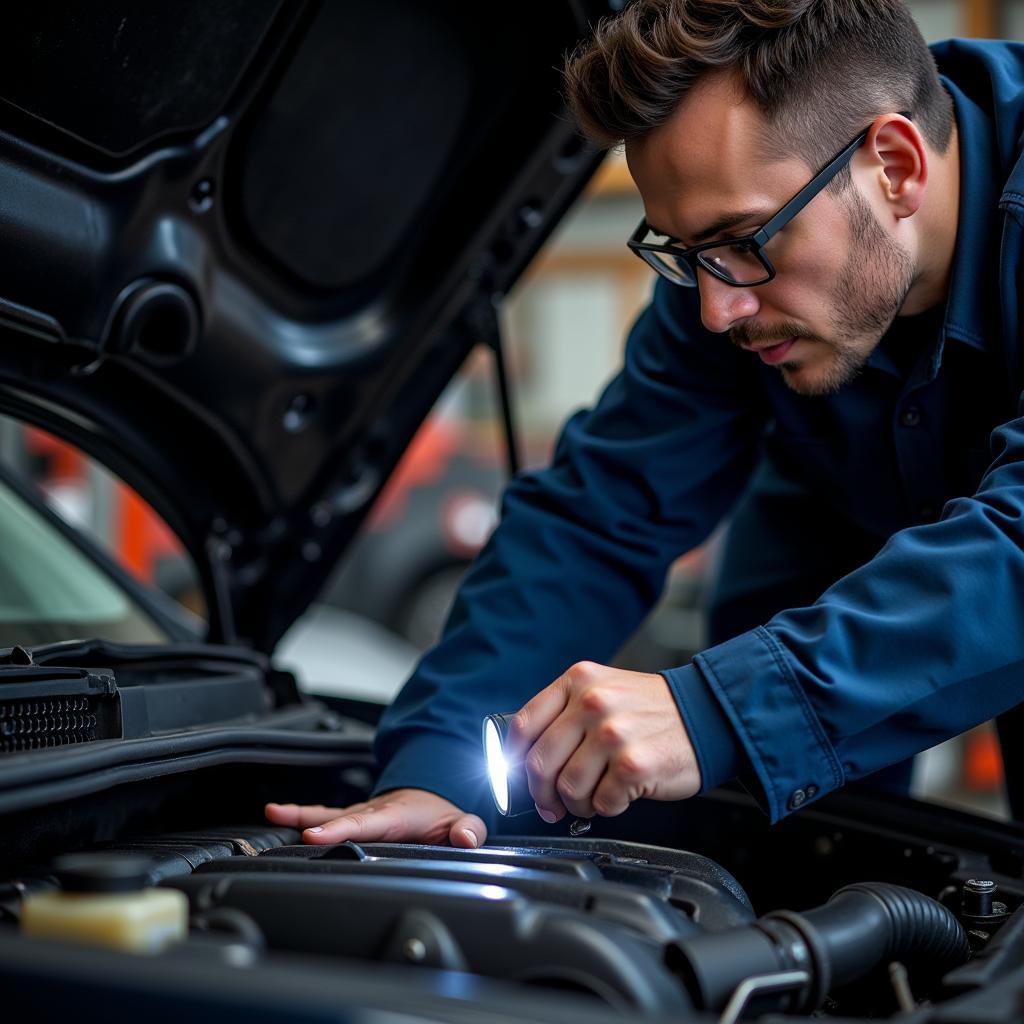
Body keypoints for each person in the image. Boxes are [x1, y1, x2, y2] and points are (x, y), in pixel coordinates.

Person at [267, 0, 1024, 848]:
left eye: (742, 241)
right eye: (686, 253)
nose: (715, 310)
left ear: (894, 163)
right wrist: (438, 772)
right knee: (804, 860)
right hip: (829, 556)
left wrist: (718, 711)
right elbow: (600, 510)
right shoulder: (742, 285)